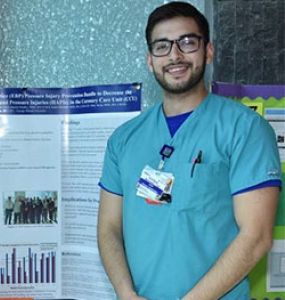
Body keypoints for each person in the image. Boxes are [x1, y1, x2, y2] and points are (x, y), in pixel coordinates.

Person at [97, 2, 282, 300]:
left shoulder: (245, 130)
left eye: (187, 42)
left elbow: (257, 237)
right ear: (149, 60)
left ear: (208, 51)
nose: (174, 55)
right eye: (162, 46)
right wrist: (126, 293)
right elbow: (108, 229)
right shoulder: (124, 139)